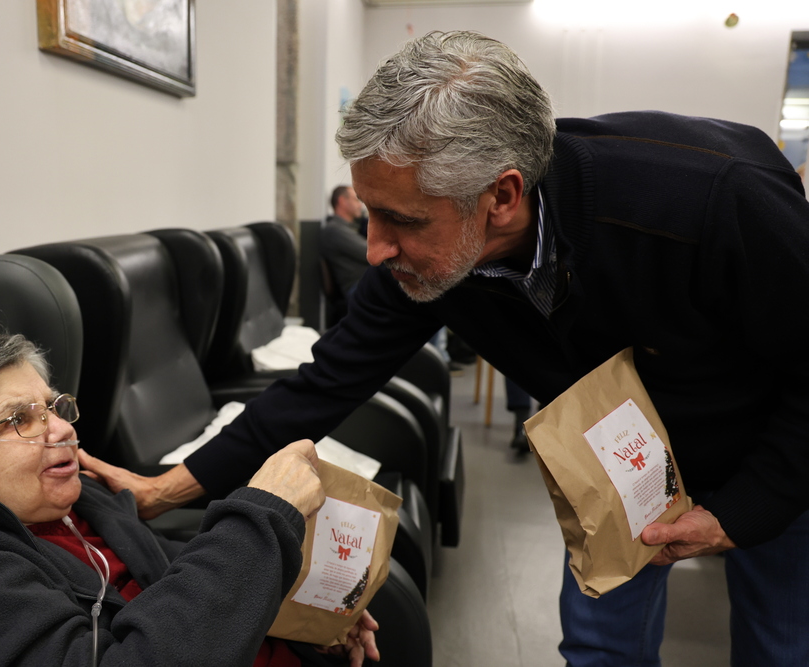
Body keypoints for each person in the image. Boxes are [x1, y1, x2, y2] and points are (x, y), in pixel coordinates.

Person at [77, 31, 809, 665]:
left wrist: (742, 512)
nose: (373, 249)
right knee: (599, 647)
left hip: (772, 446)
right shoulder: (429, 249)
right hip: (621, 460)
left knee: (780, 643)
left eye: (399, 220)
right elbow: (324, 383)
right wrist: (165, 488)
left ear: (501, 196)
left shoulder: (715, 199)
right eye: (368, 215)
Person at [0, 330, 379, 667]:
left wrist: (306, 616)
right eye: (21, 419)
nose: (62, 429)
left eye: (55, 407)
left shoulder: (84, 503)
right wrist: (264, 513)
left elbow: (180, 583)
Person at [320, 185, 369, 298]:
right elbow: (369, 252)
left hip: (364, 285)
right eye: (356, 200)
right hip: (358, 288)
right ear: (342, 201)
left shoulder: (347, 227)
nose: (360, 205)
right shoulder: (334, 230)